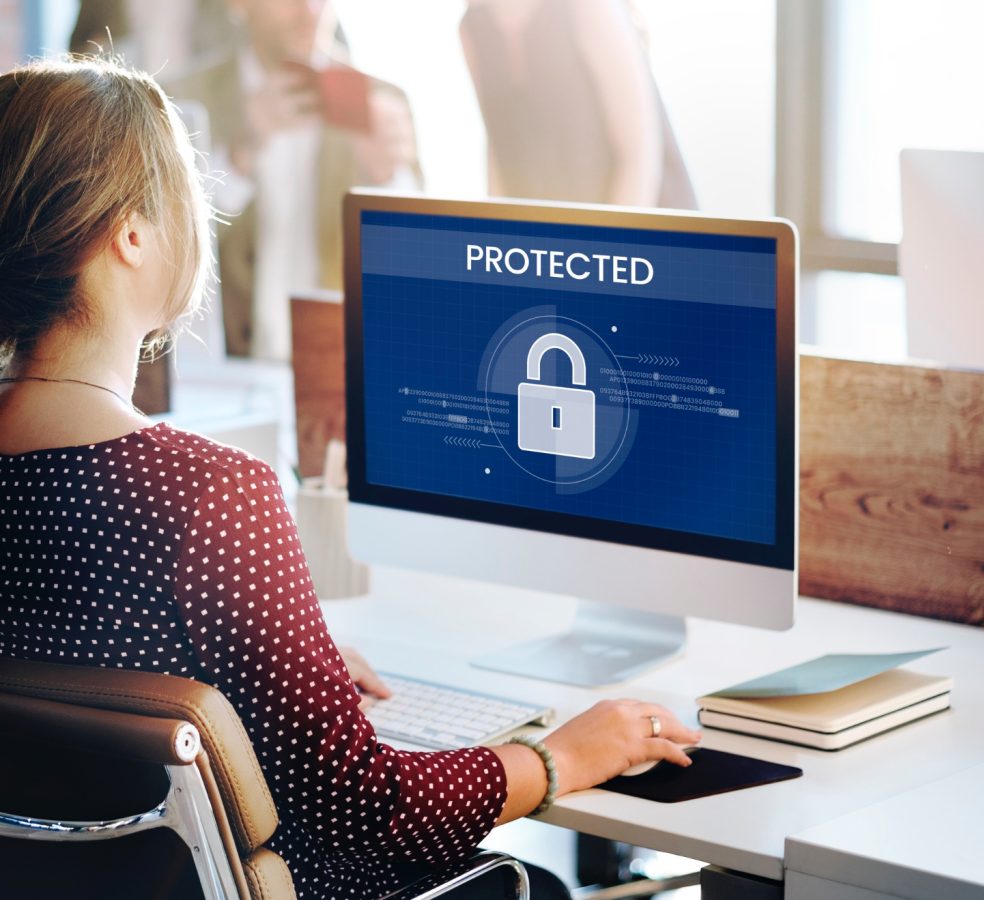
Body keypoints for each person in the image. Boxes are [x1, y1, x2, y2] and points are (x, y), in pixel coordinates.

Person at [0, 58, 701, 900]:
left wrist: (275, 657)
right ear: (132, 234)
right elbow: (366, 812)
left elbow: (75, 658)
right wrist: (558, 759)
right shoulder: (209, 499)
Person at [169, 0, 421, 360]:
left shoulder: (383, 101)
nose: (310, 10)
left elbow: (413, 265)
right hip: (222, 367)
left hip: (340, 362)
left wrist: (384, 176)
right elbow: (166, 248)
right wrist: (240, 154)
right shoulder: (182, 98)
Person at [460, 0, 697, 209]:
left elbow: (640, 158)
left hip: (642, 225)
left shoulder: (589, 6)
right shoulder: (472, 29)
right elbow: (501, 148)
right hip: (560, 238)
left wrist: (602, 249)